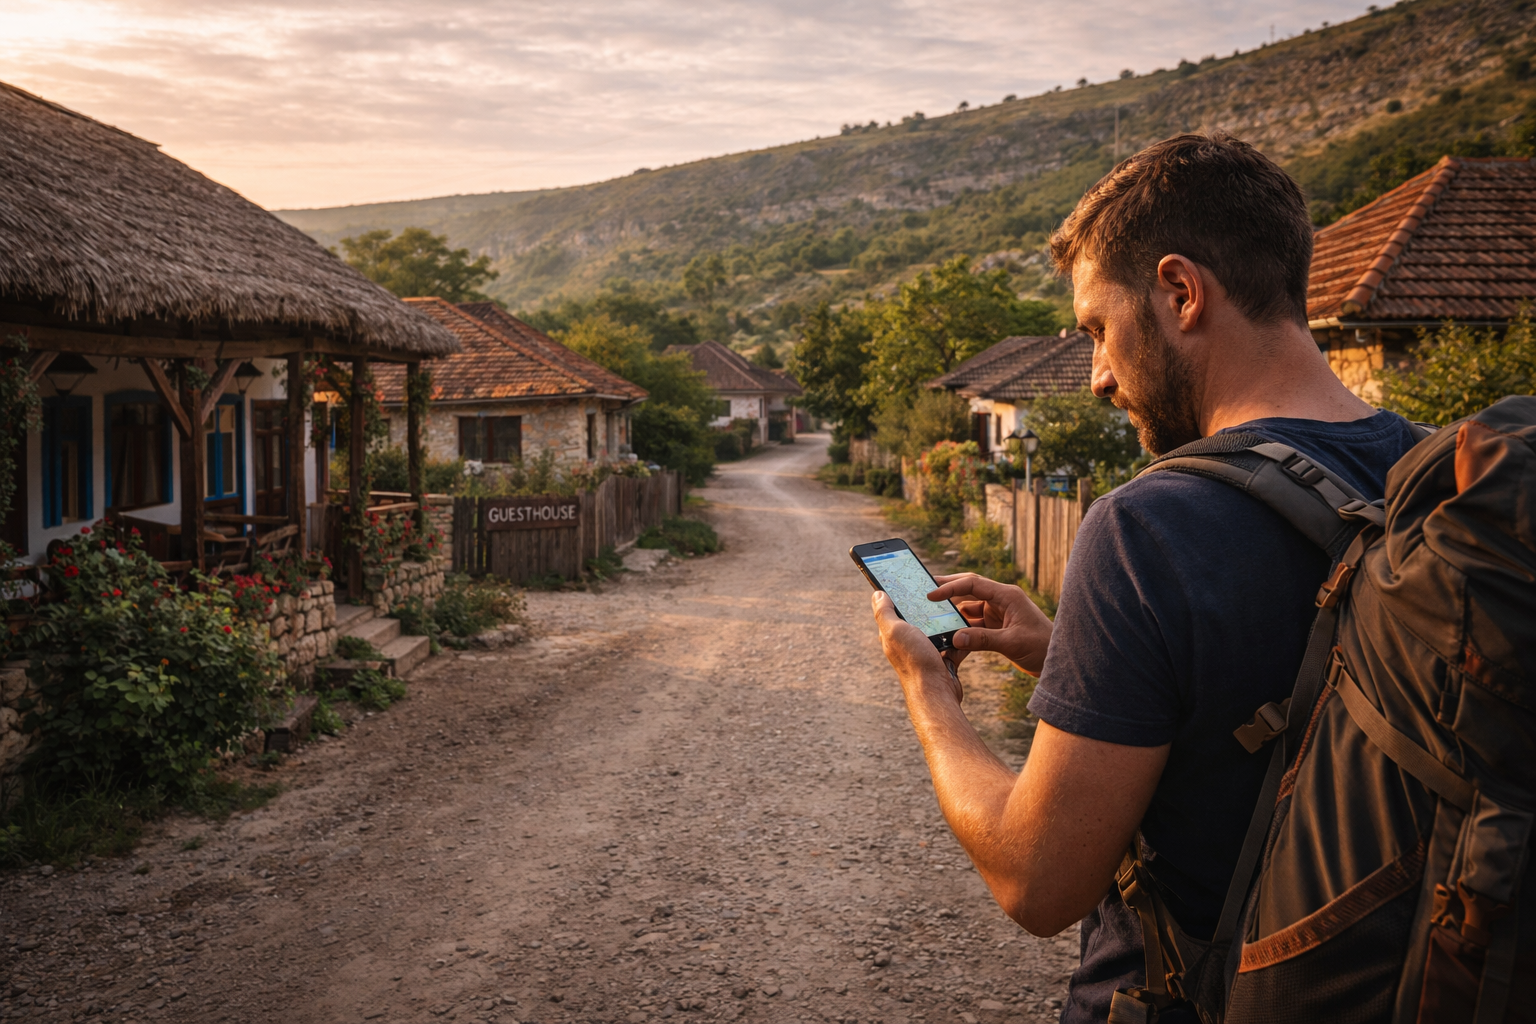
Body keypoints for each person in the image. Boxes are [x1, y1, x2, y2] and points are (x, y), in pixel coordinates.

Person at [868, 132, 1421, 1022]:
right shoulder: (1439, 476)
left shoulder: (1148, 527)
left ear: (1180, 291)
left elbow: (1036, 880)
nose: (1094, 376)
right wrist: (1065, 655)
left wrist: (925, 689)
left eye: (1096, 328)